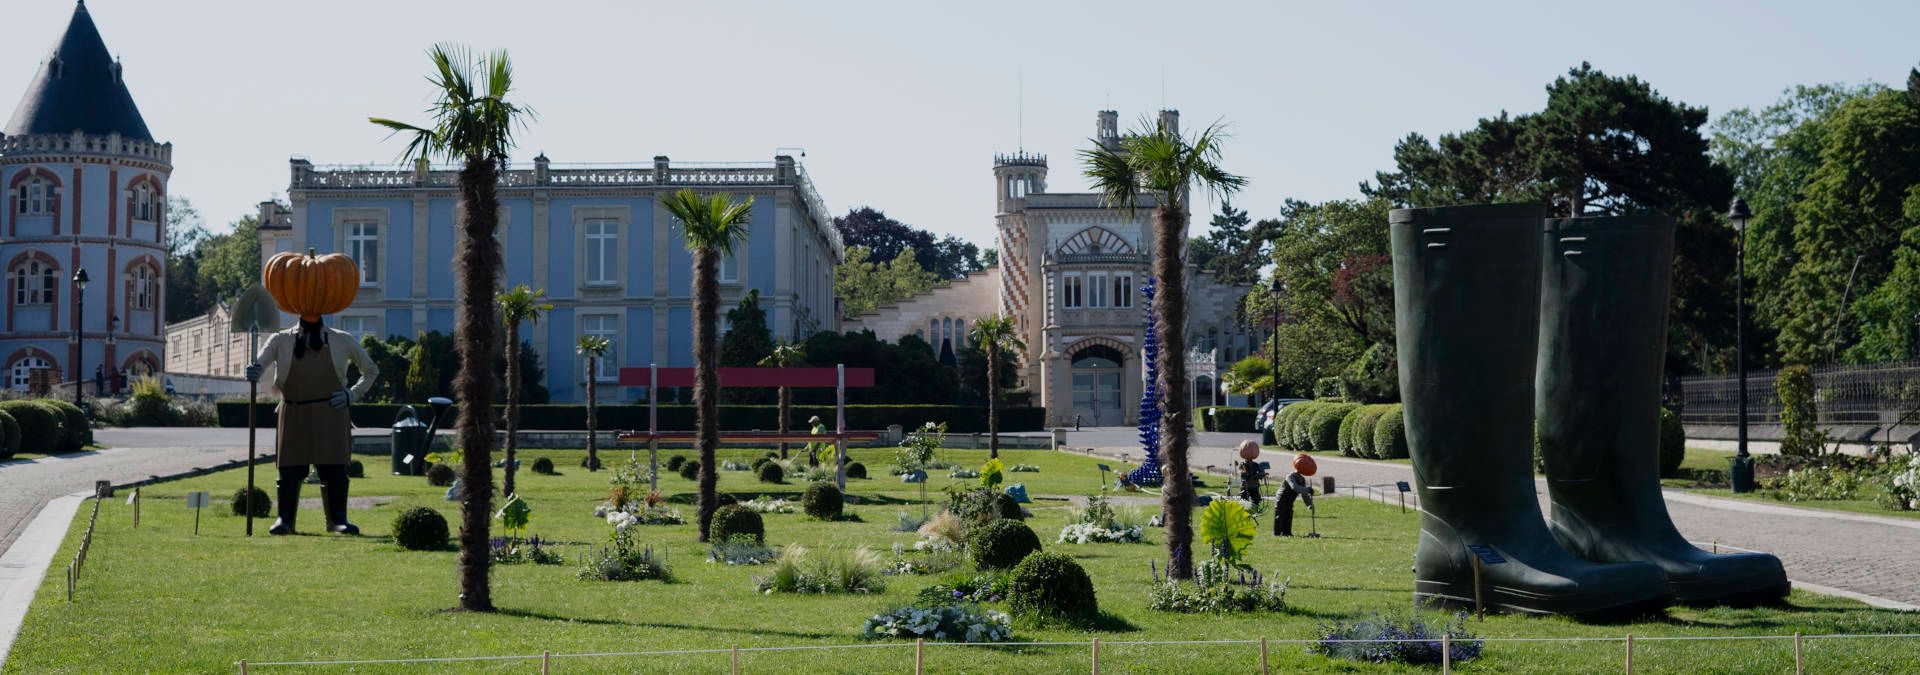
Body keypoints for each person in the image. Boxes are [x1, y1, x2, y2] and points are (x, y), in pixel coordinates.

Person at [247, 316, 377, 535]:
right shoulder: (279, 339)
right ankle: (285, 519)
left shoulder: (342, 339)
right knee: (289, 469)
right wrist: (253, 370)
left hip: (331, 412)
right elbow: (260, 364)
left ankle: (337, 520)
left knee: (334, 468)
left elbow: (371, 370)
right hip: (292, 411)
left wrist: (352, 394)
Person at [1274, 466, 1315, 537]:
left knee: (1289, 515)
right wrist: (1307, 489)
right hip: (1281, 498)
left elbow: (1304, 493)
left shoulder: (1302, 479)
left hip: (1290, 500)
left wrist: (1309, 504)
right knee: (1280, 515)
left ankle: (1287, 533)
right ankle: (1277, 533)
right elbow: (1295, 487)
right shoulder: (1290, 476)